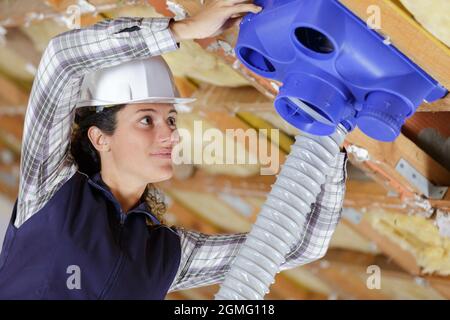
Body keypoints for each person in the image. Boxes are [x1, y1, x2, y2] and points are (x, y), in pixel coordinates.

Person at [0, 0, 348, 299]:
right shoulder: (49, 194)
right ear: (99, 138)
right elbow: (62, 58)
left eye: (170, 120)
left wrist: (333, 140)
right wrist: (183, 30)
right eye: (146, 120)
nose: (169, 135)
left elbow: (298, 245)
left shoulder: (165, 254)